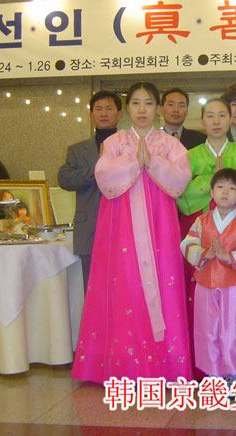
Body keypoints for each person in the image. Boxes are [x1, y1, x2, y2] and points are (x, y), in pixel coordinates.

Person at [72, 81, 192, 384]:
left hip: (160, 228)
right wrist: (133, 162)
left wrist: (153, 162)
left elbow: (181, 180)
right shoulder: (115, 142)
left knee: (163, 284)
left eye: (149, 103)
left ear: (158, 108)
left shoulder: (170, 145)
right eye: (136, 103)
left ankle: (166, 366)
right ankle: (122, 365)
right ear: (127, 108)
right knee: (124, 285)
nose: (142, 110)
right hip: (121, 227)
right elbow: (103, 176)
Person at [176, 98, 236, 375]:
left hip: (235, 231)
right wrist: (208, 182)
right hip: (201, 227)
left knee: (235, 317)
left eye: (222, 115)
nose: (216, 121)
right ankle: (206, 368)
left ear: (231, 118)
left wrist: (212, 180)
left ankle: (233, 368)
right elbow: (181, 194)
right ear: (201, 121)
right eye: (209, 115)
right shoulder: (188, 156)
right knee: (203, 314)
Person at [180, 168, 236, 380]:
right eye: (220, 187)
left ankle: (232, 373)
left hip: (235, 286)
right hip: (205, 283)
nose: (225, 192)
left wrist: (229, 257)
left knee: (233, 328)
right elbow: (187, 244)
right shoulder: (202, 220)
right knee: (206, 328)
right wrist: (205, 254)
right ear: (211, 193)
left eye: (232, 188)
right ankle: (212, 374)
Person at [58, 90, 122, 292]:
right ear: (91, 114)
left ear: (120, 114)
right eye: (98, 109)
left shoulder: (130, 147)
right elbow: (64, 179)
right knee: (92, 288)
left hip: (123, 225)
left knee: (123, 288)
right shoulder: (77, 150)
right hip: (90, 229)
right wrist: (99, 168)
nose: (103, 113)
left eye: (109, 108)